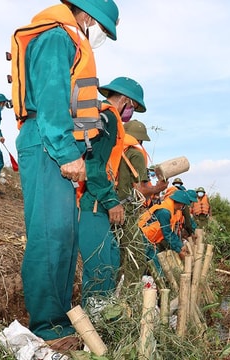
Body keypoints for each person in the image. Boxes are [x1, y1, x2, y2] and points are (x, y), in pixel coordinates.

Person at [11, 0, 119, 352]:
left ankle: (55, 317)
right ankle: (47, 325)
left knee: (65, 238)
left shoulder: (65, 37)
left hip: (53, 143)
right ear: (87, 14)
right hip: (46, 141)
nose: (97, 33)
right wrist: (66, 151)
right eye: (100, 26)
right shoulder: (57, 37)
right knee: (50, 235)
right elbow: (51, 100)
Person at [78, 77, 147, 307]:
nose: (132, 114)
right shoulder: (108, 119)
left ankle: (105, 321)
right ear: (126, 101)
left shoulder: (107, 117)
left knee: (111, 261)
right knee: (99, 269)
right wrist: (111, 201)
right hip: (93, 205)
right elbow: (94, 165)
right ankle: (93, 328)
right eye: (133, 108)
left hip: (99, 204)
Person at [116, 119, 168, 285]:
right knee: (137, 254)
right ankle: (129, 297)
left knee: (120, 254)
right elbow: (141, 190)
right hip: (126, 210)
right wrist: (159, 188)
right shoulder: (136, 153)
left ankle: (114, 293)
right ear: (140, 139)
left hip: (113, 206)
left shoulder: (117, 151)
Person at [139, 190, 191, 275]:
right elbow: (167, 234)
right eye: (183, 206)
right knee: (142, 264)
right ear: (180, 204)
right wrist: (179, 250)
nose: (182, 208)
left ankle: (159, 281)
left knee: (156, 264)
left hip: (150, 240)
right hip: (142, 237)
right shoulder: (164, 212)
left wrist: (180, 245)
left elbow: (169, 232)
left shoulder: (168, 210)